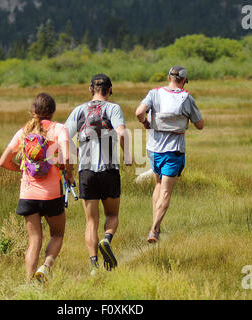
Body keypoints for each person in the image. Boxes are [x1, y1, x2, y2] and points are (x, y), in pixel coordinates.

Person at [0, 93, 72, 283]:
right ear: (53, 111)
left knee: (34, 241)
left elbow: (3, 161)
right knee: (57, 234)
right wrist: (68, 174)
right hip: (52, 194)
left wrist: (22, 171)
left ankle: (28, 283)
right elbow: (65, 158)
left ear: (33, 110)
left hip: (28, 193)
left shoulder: (23, 131)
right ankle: (45, 267)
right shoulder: (59, 129)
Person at [65, 74, 131, 274]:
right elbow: (121, 132)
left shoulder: (79, 110)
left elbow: (63, 138)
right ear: (110, 90)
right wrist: (127, 155)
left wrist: (77, 154)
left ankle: (94, 266)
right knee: (112, 214)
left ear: (90, 89)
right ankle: (107, 240)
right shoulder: (113, 108)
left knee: (91, 221)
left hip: (86, 171)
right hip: (109, 170)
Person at [135, 66, 204, 243]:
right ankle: (154, 230)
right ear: (183, 81)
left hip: (153, 148)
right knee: (166, 191)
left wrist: (145, 123)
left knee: (158, 184)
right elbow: (200, 125)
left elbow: (139, 112)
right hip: (174, 149)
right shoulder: (186, 97)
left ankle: (154, 226)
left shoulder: (154, 93)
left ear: (169, 78)